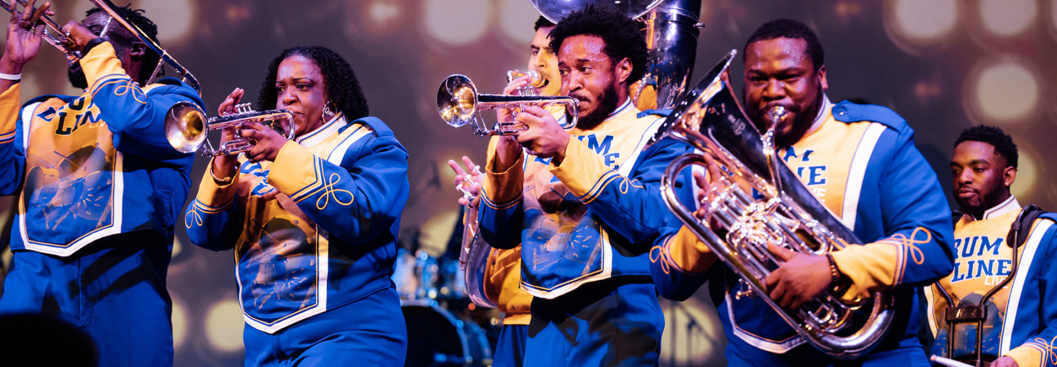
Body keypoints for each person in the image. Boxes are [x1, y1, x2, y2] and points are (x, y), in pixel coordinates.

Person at [652, 19, 955, 365]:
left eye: (789, 77)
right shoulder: (713, 160)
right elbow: (669, 282)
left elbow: (934, 245)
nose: (773, 91)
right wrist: (706, 232)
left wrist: (832, 267)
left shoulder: (876, 140)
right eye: (758, 79)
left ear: (821, 77)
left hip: (877, 357)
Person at [476, 5, 693, 366]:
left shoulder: (657, 133)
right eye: (565, 70)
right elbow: (498, 233)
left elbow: (650, 222)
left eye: (584, 69)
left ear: (623, 68)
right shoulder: (545, 128)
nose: (571, 82)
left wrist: (564, 149)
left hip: (618, 313)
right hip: (544, 312)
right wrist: (507, 152)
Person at [0, 2, 203, 366]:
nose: (69, 37)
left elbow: (129, 119)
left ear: (136, 48)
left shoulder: (174, 101)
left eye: (94, 29)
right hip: (35, 281)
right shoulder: (38, 111)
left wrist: (95, 51)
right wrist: (10, 69)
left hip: (124, 277)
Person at [183, 46, 409, 366]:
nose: (287, 97)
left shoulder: (368, 141)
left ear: (332, 96)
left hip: (348, 334)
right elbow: (203, 234)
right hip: (262, 343)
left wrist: (282, 155)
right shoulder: (251, 158)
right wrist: (225, 161)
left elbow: (364, 214)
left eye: (302, 86)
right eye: (281, 89)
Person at [447, 16, 559, 367]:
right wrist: (488, 195)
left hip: (555, 310)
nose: (537, 63)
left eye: (550, 52)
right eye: (534, 50)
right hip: (512, 307)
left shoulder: (572, 127)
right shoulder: (507, 127)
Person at [925, 125, 1057, 367]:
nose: (963, 178)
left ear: (1008, 176)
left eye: (978, 169)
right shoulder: (935, 239)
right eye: (956, 170)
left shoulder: (1045, 233)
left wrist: (1020, 359)